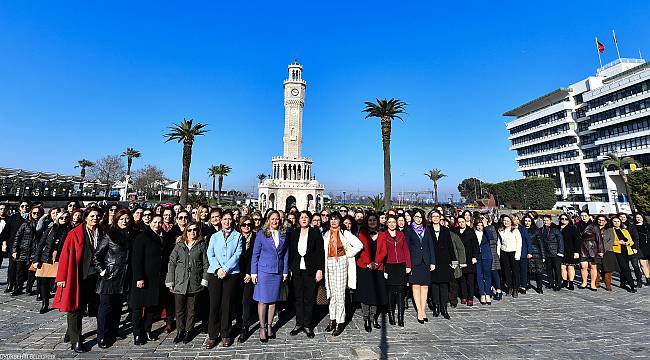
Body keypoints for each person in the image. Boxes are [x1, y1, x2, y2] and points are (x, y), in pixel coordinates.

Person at [53, 207, 103, 353]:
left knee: (92, 306)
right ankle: (76, 340)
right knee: (75, 307)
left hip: (96, 276)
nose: (95, 218)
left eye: (97, 216)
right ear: (85, 217)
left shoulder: (101, 232)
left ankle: (71, 331)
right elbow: (65, 256)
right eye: (92, 216)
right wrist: (61, 277)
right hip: (78, 276)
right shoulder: (74, 233)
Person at [94, 209, 132, 348]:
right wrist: (103, 271)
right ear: (116, 220)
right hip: (109, 277)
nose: (124, 221)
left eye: (127, 218)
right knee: (105, 308)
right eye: (121, 218)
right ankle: (102, 336)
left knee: (117, 307)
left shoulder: (130, 234)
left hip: (124, 277)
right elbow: (97, 255)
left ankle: (114, 330)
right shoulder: (109, 235)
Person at [166, 222, 209, 344]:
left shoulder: (201, 245)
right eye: (189, 230)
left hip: (194, 282)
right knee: (179, 310)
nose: (192, 232)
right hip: (180, 282)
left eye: (194, 230)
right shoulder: (179, 245)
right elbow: (172, 262)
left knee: (192, 309)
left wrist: (204, 279)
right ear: (186, 231)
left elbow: (206, 264)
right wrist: (170, 279)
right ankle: (180, 330)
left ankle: (188, 331)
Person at [322, 211, 363, 336]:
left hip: (340, 263)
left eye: (336, 219)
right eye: (331, 219)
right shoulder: (326, 233)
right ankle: (332, 320)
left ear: (340, 221)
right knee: (331, 294)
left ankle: (340, 322)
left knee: (340, 294)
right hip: (329, 264)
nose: (333, 221)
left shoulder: (345, 233)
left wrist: (347, 254)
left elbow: (359, 245)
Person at [206, 210, 242, 348]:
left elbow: (237, 254)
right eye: (224, 219)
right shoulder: (214, 236)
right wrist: (218, 269)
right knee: (214, 304)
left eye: (229, 219)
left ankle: (226, 333)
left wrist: (226, 269)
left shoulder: (238, 236)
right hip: (215, 273)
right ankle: (213, 335)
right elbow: (210, 253)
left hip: (231, 273)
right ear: (221, 221)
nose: (227, 222)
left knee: (227, 304)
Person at [251, 210, 289, 342]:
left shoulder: (284, 234)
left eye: (277, 219)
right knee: (263, 301)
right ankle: (262, 327)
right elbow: (255, 254)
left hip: (277, 272)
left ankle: (269, 326)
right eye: (272, 219)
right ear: (268, 220)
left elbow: (285, 254)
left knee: (273, 301)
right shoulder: (261, 234)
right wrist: (253, 273)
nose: (275, 221)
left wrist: (284, 271)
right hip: (264, 272)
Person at [130, 214, 165, 345]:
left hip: (156, 278)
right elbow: (136, 259)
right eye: (155, 222)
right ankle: (137, 333)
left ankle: (147, 330)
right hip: (142, 278)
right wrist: (139, 277)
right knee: (138, 307)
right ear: (150, 223)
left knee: (151, 306)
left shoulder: (162, 237)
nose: (157, 225)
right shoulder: (142, 237)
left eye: (160, 222)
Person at [288, 210, 324, 338]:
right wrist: (290, 268)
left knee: (309, 298)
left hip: (311, 270)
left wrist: (320, 269)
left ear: (309, 220)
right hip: (297, 270)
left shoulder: (315, 233)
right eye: (301, 217)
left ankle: (308, 324)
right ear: (298, 220)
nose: (304, 219)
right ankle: (299, 323)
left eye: (306, 217)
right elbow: (291, 252)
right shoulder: (294, 233)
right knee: (298, 297)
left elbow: (320, 252)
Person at [355, 213, 388, 332]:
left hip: (377, 268)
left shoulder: (382, 235)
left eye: (374, 220)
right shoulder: (362, 234)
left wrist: (377, 263)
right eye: (370, 220)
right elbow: (361, 250)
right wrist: (369, 263)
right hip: (365, 267)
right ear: (366, 222)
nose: (372, 222)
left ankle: (374, 317)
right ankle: (366, 318)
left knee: (375, 294)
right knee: (365, 294)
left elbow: (384, 251)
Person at [34, 210, 72, 313]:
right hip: (48, 257)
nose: (64, 220)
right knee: (44, 282)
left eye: (66, 218)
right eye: (61, 218)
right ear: (57, 218)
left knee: (61, 282)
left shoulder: (71, 230)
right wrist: (36, 259)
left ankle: (61, 302)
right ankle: (45, 303)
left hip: (62, 258)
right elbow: (41, 244)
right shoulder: (50, 229)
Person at [404, 209, 435, 323]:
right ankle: (419, 311)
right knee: (416, 285)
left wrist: (432, 262)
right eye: (416, 217)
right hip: (414, 261)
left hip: (425, 261)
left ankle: (423, 309)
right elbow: (406, 248)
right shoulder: (409, 229)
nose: (418, 219)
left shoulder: (426, 230)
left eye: (420, 217)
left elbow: (430, 246)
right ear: (413, 218)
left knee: (425, 286)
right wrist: (408, 264)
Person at [381, 215, 411, 326]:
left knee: (400, 293)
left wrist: (408, 265)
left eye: (394, 222)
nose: (392, 224)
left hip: (401, 265)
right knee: (390, 294)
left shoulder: (401, 234)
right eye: (390, 222)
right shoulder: (383, 235)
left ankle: (400, 318)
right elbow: (382, 253)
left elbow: (406, 250)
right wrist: (384, 268)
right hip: (389, 266)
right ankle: (391, 316)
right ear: (386, 223)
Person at [429, 210, 456, 319]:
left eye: (437, 216)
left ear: (440, 218)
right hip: (433, 261)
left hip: (444, 261)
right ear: (431, 218)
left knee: (444, 285)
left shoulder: (445, 230)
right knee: (434, 285)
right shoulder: (427, 230)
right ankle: (436, 307)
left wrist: (453, 260)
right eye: (433, 216)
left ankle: (444, 308)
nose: (435, 218)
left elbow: (450, 246)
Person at [11, 205, 44, 296]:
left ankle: (28, 289)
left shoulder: (44, 224)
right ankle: (18, 288)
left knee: (31, 272)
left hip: (35, 251)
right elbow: (17, 236)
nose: (36, 214)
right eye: (34, 213)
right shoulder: (26, 223)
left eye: (38, 213)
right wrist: (14, 250)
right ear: (31, 213)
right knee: (20, 272)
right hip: (23, 250)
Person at [1, 200, 30, 294]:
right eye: (22, 206)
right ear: (19, 208)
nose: (25, 208)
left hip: (26, 247)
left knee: (21, 268)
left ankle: (18, 286)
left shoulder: (31, 217)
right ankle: (10, 284)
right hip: (13, 245)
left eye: (27, 206)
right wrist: (4, 244)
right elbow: (5, 232)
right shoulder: (14, 217)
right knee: (12, 266)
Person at [236, 216, 257, 343]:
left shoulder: (256, 238)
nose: (247, 227)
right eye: (244, 224)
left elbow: (255, 257)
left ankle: (245, 327)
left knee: (247, 301)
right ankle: (238, 323)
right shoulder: (236, 237)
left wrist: (249, 273)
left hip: (250, 274)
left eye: (249, 224)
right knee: (237, 301)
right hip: (237, 273)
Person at [577, 211, 604, 290]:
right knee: (583, 266)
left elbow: (599, 238)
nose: (583, 217)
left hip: (593, 247)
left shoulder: (594, 226)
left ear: (589, 216)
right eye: (582, 215)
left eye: (585, 215)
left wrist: (601, 250)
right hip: (582, 247)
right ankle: (584, 282)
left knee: (593, 266)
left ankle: (592, 284)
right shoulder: (577, 225)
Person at [609, 216, 637, 293]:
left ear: (620, 222)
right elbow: (608, 242)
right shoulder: (610, 231)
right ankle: (631, 285)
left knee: (625, 268)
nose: (616, 223)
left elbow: (631, 241)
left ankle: (623, 283)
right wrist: (618, 242)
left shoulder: (625, 230)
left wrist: (628, 243)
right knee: (625, 268)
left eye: (618, 221)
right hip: (617, 252)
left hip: (626, 251)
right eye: (614, 221)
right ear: (612, 222)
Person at [497, 215, 522, 298]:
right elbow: (499, 243)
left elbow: (519, 243)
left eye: (507, 221)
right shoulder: (501, 230)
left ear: (511, 221)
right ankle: (509, 287)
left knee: (515, 271)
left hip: (513, 252)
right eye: (504, 221)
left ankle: (515, 289)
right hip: (504, 252)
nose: (506, 222)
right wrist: (499, 253)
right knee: (506, 271)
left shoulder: (515, 231)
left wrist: (517, 254)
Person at [457, 217, 478, 306]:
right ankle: (464, 296)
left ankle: (470, 298)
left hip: (469, 259)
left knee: (470, 280)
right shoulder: (455, 231)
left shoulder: (470, 231)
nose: (461, 223)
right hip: (460, 259)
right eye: (459, 222)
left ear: (465, 222)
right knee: (462, 280)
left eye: (463, 222)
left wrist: (474, 257)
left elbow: (475, 246)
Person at [539, 215, 564, 291]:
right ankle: (550, 282)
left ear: (550, 221)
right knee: (548, 269)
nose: (545, 222)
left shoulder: (555, 229)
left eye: (547, 220)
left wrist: (560, 252)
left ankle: (558, 283)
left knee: (557, 269)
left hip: (555, 253)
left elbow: (560, 241)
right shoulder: (541, 230)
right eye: (544, 220)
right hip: (546, 253)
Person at [483, 215, 503, 300]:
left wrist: (486, 227)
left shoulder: (491, 228)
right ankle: (489, 289)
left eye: (483, 219)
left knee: (494, 272)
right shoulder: (477, 228)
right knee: (486, 273)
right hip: (484, 253)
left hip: (492, 252)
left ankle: (498, 290)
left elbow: (494, 240)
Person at [474, 219, 494, 304]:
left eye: (481, 225)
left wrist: (486, 226)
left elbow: (491, 237)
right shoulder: (473, 233)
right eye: (478, 225)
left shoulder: (486, 232)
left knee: (487, 275)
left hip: (486, 256)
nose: (479, 227)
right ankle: (482, 293)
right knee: (479, 275)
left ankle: (488, 293)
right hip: (477, 256)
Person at [559, 214, 581, 290]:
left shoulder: (572, 228)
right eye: (562, 218)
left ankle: (571, 282)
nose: (564, 220)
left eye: (566, 219)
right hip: (561, 251)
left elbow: (577, 240)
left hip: (571, 250)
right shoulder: (557, 228)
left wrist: (576, 251)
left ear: (569, 220)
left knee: (570, 267)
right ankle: (564, 281)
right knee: (562, 267)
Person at [524, 216, 545, 293]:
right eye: (526, 221)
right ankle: (527, 284)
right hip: (525, 252)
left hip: (536, 253)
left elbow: (540, 243)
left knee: (538, 271)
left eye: (529, 221)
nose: (527, 222)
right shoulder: (521, 230)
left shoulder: (536, 231)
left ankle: (539, 287)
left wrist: (543, 256)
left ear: (531, 222)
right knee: (527, 270)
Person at [513, 214, 532, 294]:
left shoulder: (523, 229)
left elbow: (528, 241)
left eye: (517, 219)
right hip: (513, 253)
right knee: (515, 271)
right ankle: (516, 285)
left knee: (523, 270)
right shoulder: (510, 229)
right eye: (514, 219)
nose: (516, 221)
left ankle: (523, 286)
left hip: (523, 253)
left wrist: (529, 252)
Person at [598, 215, 617, 292]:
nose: (601, 221)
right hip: (596, 251)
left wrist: (602, 250)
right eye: (599, 220)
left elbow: (611, 241)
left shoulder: (609, 230)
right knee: (597, 268)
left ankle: (608, 284)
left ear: (606, 221)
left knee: (608, 269)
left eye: (603, 220)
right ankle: (596, 282)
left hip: (608, 251)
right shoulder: (593, 229)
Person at [633, 213, 650, 285]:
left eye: (640, 217)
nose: (638, 218)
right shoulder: (633, 227)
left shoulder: (648, 225)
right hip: (640, 247)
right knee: (643, 264)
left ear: (643, 217)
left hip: (649, 245)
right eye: (637, 217)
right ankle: (648, 279)